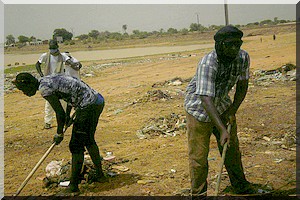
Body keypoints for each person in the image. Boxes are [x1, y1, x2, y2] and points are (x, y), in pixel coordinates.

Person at [184, 25, 254, 197]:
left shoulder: (243, 57)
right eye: (230, 45)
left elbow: (242, 85)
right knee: (199, 157)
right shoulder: (208, 63)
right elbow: (205, 99)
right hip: (199, 110)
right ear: (220, 45)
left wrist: (232, 110)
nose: (234, 49)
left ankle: (240, 186)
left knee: (231, 150)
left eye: (237, 44)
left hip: (222, 105)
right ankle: (199, 194)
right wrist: (222, 129)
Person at [12, 72, 106, 194]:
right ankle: (100, 175)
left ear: (29, 84)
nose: (24, 93)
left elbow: (59, 112)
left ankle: (73, 187)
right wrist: (68, 115)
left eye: (23, 89)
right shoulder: (48, 79)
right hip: (97, 100)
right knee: (88, 140)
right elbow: (69, 93)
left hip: (88, 105)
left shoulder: (44, 89)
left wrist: (59, 133)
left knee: (76, 146)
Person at [36, 40, 81, 129]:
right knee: (49, 103)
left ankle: (63, 120)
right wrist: (41, 75)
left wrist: (76, 66)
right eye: (51, 48)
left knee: (63, 102)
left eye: (54, 48)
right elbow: (37, 64)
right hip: (49, 82)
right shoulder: (45, 56)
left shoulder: (63, 56)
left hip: (61, 82)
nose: (52, 50)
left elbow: (71, 63)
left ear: (57, 47)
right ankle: (47, 122)